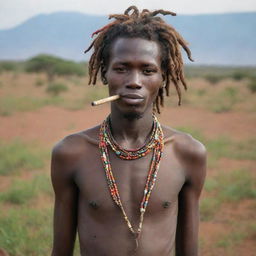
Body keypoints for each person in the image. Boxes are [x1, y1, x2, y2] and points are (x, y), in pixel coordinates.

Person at [51, 6, 207, 256]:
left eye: (148, 70)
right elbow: (61, 251)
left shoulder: (188, 153)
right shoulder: (71, 153)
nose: (134, 81)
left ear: (163, 77)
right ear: (105, 74)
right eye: (122, 68)